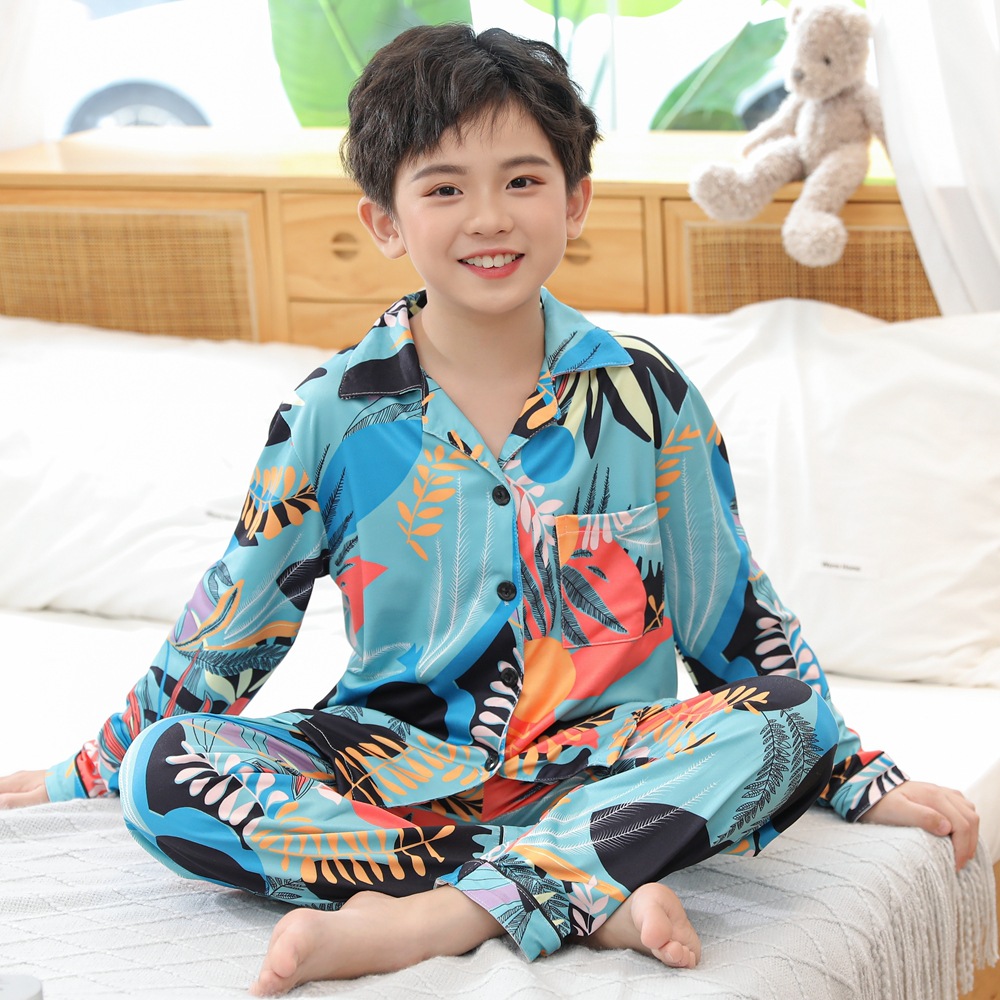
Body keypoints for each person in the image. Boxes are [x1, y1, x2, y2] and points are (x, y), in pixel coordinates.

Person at [0, 23, 979, 998]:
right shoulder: (331, 414)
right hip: (394, 763)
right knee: (166, 769)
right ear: (385, 221)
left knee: (790, 721)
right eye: (443, 189)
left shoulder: (646, 397)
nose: (488, 217)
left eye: (521, 180)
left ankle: (441, 913)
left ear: (574, 200)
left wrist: (854, 773)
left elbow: (732, 615)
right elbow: (232, 622)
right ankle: (576, 890)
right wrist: (90, 767)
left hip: (605, 765)